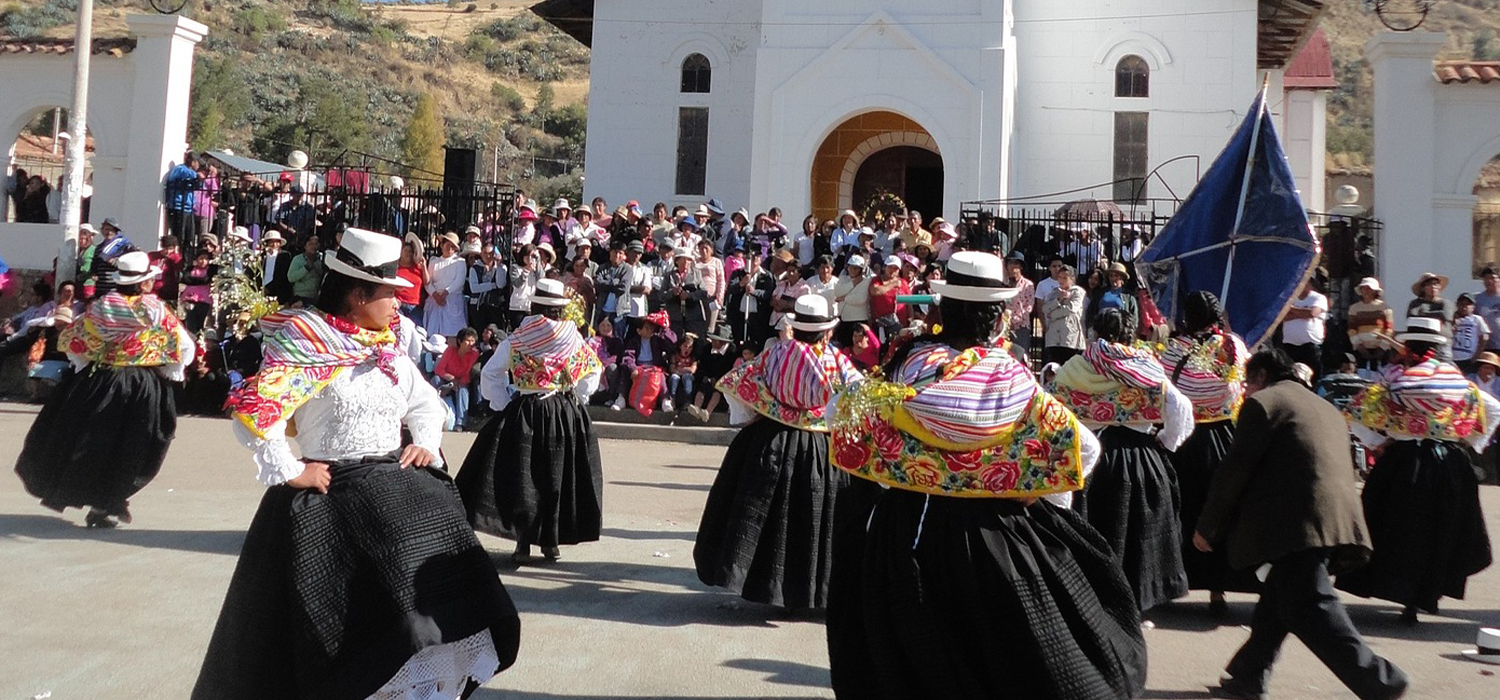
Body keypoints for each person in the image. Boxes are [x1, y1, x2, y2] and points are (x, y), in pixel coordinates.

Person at [197, 228, 519, 698]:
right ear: (356, 293)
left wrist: (425, 443)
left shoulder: (385, 350)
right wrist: (292, 470)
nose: (398, 305)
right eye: (390, 295)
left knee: (436, 596)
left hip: (389, 481)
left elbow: (426, 405)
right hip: (329, 493)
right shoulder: (305, 345)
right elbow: (255, 416)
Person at [826, 251, 1145, 700]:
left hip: (908, 529)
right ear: (998, 317)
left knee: (907, 653)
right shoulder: (1013, 378)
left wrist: (901, 479)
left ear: (943, 309)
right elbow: (1083, 448)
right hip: (993, 534)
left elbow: (844, 419)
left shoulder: (909, 367)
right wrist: (1037, 493)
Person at [1194, 348, 1409, 700]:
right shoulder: (1323, 406)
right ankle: (1249, 676)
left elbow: (1234, 471)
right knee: (1280, 601)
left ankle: (1382, 680)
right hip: (1335, 517)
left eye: (1248, 382)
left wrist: (1208, 526)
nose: (1245, 390)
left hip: (1299, 523)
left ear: (1261, 376)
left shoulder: (1264, 404)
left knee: (1312, 605)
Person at [695, 294, 864, 610]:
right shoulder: (837, 361)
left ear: (795, 326)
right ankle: (813, 591)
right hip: (820, 445)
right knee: (817, 519)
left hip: (770, 439)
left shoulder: (773, 355)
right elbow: (857, 401)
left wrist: (755, 414)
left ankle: (764, 583)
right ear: (827, 330)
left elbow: (736, 384)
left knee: (767, 515)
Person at [1337, 316, 1499, 625]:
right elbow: (1494, 409)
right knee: (1441, 530)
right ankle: (1426, 595)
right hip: (1449, 463)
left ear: (1409, 346)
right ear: (1438, 347)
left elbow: (1355, 413)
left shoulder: (1395, 379)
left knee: (1398, 529)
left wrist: (1378, 442)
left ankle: (1401, 590)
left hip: (1404, 462)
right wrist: (1469, 441)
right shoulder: (1457, 381)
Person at [14, 252, 195, 528]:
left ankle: (96, 496)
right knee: (134, 444)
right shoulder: (156, 311)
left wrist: (87, 365)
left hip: (101, 381)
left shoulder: (99, 309)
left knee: (92, 440)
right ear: (144, 283)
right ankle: (109, 500)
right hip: (142, 384)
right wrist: (170, 370)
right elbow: (183, 348)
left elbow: (74, 341)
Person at [1052, 308, 1194, 613]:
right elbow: (1180, 407)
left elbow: (1056, 411)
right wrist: (1167, 442)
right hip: (1140, 457)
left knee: (1097, 529)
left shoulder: (1076, 366)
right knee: (1137, 533)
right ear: (1131, 334)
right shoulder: (1146, 367)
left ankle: (1095, 599)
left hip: (1091, 457)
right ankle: (1135, 603)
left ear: (1094, 332)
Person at [459, 278, 604, 563]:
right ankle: (550, 541)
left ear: (534, 306)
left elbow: (490, 374)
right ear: (559, 309)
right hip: (564, 412)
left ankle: (522, 543)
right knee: (557, 477)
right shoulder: (571, 337)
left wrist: (502, 404)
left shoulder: (518, 338)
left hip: (527, 411)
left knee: (524, 477)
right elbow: (592, 373)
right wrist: (577, 398)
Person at [1159, 291, 1258, 615]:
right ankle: (1218, 589)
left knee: (1183, 508)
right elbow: (1244, 384)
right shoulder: (1232, 347)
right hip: (1225, 437)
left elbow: (1165, 392)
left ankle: (1176, 579)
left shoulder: (1174, 350)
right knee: (1224, 508)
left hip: (1186, 439)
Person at [613, 310, 675, 412]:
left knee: (661, 375)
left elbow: (672, 344)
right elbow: (628, 356)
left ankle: (665, 400)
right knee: (624, 371)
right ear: (639, 331)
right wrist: (633, 368)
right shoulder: (633, 342)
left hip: (653, 367)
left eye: (651, 328)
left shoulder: (657, 340)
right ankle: (621, 399)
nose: (650, 330)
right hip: (638, 367)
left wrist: (664, 329)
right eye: (646, 328)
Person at [685, 324, 737, 422]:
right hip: (708, 377)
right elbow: (703, 366)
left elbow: (730, 369)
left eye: (715, 340)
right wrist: (705, 376)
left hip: (723, 380)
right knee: (702, 387)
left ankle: (707, 412)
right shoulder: (707, 349)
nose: (712, 342)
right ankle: (696, 408)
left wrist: (718, 378)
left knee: (717, 391)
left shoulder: (732, 352)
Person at [1281, 280, 1329, 380]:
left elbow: (1312, 313)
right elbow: (1282, 316)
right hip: (1290, 345)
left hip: (1310, 345)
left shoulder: (1318, 298)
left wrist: (1290, 309)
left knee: (1313, 376)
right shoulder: (1289, 298)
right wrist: (1301, 314)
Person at [434, 326, 480, 431]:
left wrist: (457, 383)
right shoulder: (450, 350)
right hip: (446, 379)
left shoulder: (474, 354)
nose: (470, 344)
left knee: (462, 389)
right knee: (436, 380)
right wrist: (452, 379)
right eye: (467, 341)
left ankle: (460, 422)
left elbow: (468, 375)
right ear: (460, 341)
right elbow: (439, 369)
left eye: (473, 341)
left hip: (462, 382)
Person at [424, 232, 469, 337]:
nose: (450, 248)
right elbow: (428, 282)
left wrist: (446, 293)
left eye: (453, 246)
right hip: (435, 301)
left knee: (453, 334)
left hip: (452, 300)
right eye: (448, 245)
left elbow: (459, 281)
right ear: (441, 245)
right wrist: (435, 295)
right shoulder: (434, 261)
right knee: (433, 334)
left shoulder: (460, 262)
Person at [1042, 263, 1087, 365]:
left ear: (1071, 279)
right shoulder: (1054, 292)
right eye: (1060, 277)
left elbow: (1071, 309)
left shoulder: (1078, 292)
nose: (1061, 280)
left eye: (1065, 278)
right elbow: (1045, 308)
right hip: (1053, 337)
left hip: (1070, 337)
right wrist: (1058, 299)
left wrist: (1052, 314)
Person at [1347, 277, 1394, 372]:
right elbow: (1351, 329)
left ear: (1375, 291)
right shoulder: (1354, 308)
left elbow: (1389, 329)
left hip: (1381, 350)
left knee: (1381, 375)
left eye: (1369, 288)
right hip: (1361, 349)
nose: (1366, 291)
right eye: (1364, 288)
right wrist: (1359, 346)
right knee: (1362, 374)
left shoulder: (1384, 307)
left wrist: (1382, 347)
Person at [1453, 293, 1490, 374]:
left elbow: (1485, 337)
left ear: (1473, 307)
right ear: (1457, 305)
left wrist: (1477, 356)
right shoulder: (1452, 318)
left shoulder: (1477, 319)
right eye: (1461, 304)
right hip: (1452, 358)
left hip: (1469, 358)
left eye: (1468, 304)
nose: (1464, 306)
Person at [287, 234, 323, 308]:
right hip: (299, 297)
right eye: (311, 244)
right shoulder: (297, 259)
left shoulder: (321, 260)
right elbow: (290, 277)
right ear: (305, 246)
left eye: (316, 244)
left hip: (315, 299)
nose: (313, 246)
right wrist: (306, 268)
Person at [259, 230, 295, 305]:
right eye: (271, 242)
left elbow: (282, 275)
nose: (274, 244)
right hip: (261, 293)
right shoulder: (261, 256)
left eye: (277, 242)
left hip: (278, 293)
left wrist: (268, 288)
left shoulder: (285, 256)